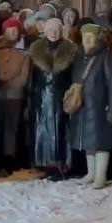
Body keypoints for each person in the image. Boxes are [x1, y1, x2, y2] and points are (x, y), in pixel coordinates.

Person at [68, 23, 112, 189]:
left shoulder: (106, 56)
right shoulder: (79, 57)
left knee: (101, 143)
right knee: (88, 141)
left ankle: (100, 175)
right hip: (84, 107)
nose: (88, 40)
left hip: (100, 107)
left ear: (98, 39)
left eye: (91, 37)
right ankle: (91, 173)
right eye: (85, 37)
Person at [29, 18, 77, 179]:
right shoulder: (36, 49)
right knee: (42, 129)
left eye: (56, 30)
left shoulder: (70, 49)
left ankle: (61, 164)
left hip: (62, 94)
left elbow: (74, 74)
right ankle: (44, 163)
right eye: (50, 30)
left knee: (61, 129)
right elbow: (31, 76)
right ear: (45, 31)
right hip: (41, 96)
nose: (53, 33)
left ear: (61, 31)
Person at [0, 18, 32, 174]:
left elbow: (24, 76)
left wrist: (10, 85)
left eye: (15, 29)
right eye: (9, 29)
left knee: (13, 129)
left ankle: (11, 160)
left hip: (15, 96)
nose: (12, 32)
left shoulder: (24, 53)